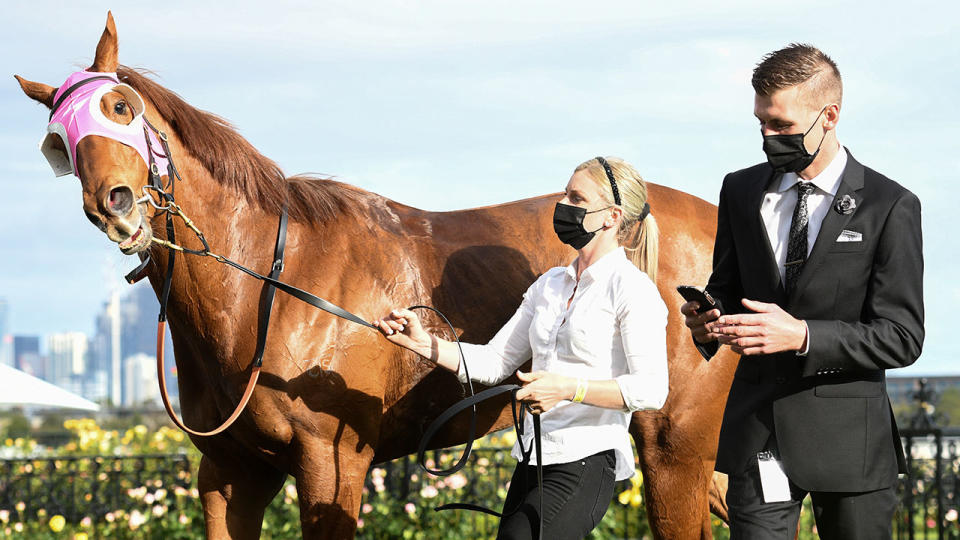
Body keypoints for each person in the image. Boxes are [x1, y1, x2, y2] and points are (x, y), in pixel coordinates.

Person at [682, 44, 924, 539]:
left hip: (851, 446)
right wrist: (709, 319)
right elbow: (726, 288)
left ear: (829, 116)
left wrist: (802, 336)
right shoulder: (740, 190)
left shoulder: (890, 205)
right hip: (758, 438)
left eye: (782, 125)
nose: (769, 137)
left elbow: (902, 337)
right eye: (761, 124)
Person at [375, 156, 669, 540]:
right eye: (566, 194)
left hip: (587, 460)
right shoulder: (549, 285)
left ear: (611, 216)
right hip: (532, 457)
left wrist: (567, 388)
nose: (563, 206)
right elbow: (495, 361)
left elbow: (650, 390)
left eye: (577, 199)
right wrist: (424, 343)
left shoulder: (632, 289)